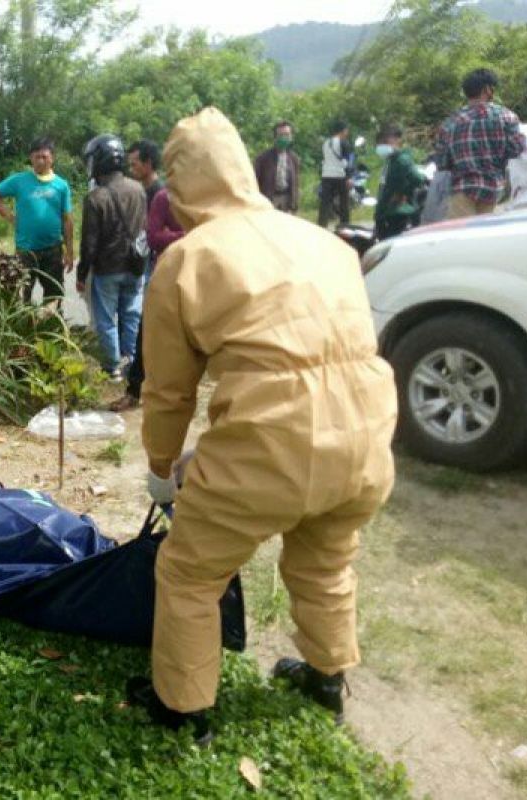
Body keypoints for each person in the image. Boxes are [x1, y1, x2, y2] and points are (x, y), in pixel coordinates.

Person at [125, 108, 397, 742]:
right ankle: (327, 678)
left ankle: (182, 709)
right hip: (367, 432)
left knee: (189, 572)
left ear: (181, 185)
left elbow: (169, 390)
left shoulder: (189, 258)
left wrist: (163, 467)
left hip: (274, 438)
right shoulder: (324, 241)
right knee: (326, 562)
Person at [77, 134, 147, 379]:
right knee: (132, 316)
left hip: (107, 269)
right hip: (136, 265)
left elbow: (89, 243)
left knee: (107, 320)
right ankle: (133, 364)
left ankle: (112, 368)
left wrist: (81, 273)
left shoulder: (95, 198)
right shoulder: (138, 189)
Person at [110, 183, 184, 412]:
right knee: (148, 332)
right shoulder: (165, 198)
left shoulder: (209, 198)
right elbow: (154, 237)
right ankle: (134, 391)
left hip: (201, 276)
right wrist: (190, 235)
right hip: (166, 273)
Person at [0, 137, 75, 304]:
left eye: (44, 157)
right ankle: (25, 328)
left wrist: (69, 251)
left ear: (52, 158)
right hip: (26, 251)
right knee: (20, 298)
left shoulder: (61, 185)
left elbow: (67, 219)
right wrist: (10, 216)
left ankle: (52, 327)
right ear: (31, 158)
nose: (40, 161)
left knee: (54, 297)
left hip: (53, 250)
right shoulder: (20, 180)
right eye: (36, 157)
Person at [436, 68, 526, 219]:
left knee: (462, 239)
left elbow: (442, 162)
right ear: (487, 89)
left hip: (461, 191)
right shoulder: (507, 117)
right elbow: (517, 149)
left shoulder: (450, 123)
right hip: (492, 191)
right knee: (484, 237)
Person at [373, 124, 428, 240]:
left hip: (398, 213)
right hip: (387, 212)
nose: (380, 146)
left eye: (384, 142)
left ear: (396, 141)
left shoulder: (401, 160)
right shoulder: (390, 161)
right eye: (379, 143)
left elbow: (417, 180)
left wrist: (403, 192)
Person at [254, 121, 301, 213]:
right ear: (275, 137)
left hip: (286, 200)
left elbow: (296, 182)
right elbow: (254, 180)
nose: (284, 138)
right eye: (281, 135)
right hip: (269, 200)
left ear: (291, 137)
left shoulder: (294, 158)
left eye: (287, 135)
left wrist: (295, 203)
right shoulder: (263, 158)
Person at [317, 120, 352, 228]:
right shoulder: (343, 142)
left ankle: (322, 225)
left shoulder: (325, 143)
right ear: (343, 131)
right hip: (340, 176)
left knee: (325, 203)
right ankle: (344, 226)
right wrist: (349, 177)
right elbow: (348, 162)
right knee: (344, 203)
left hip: (326, 175)